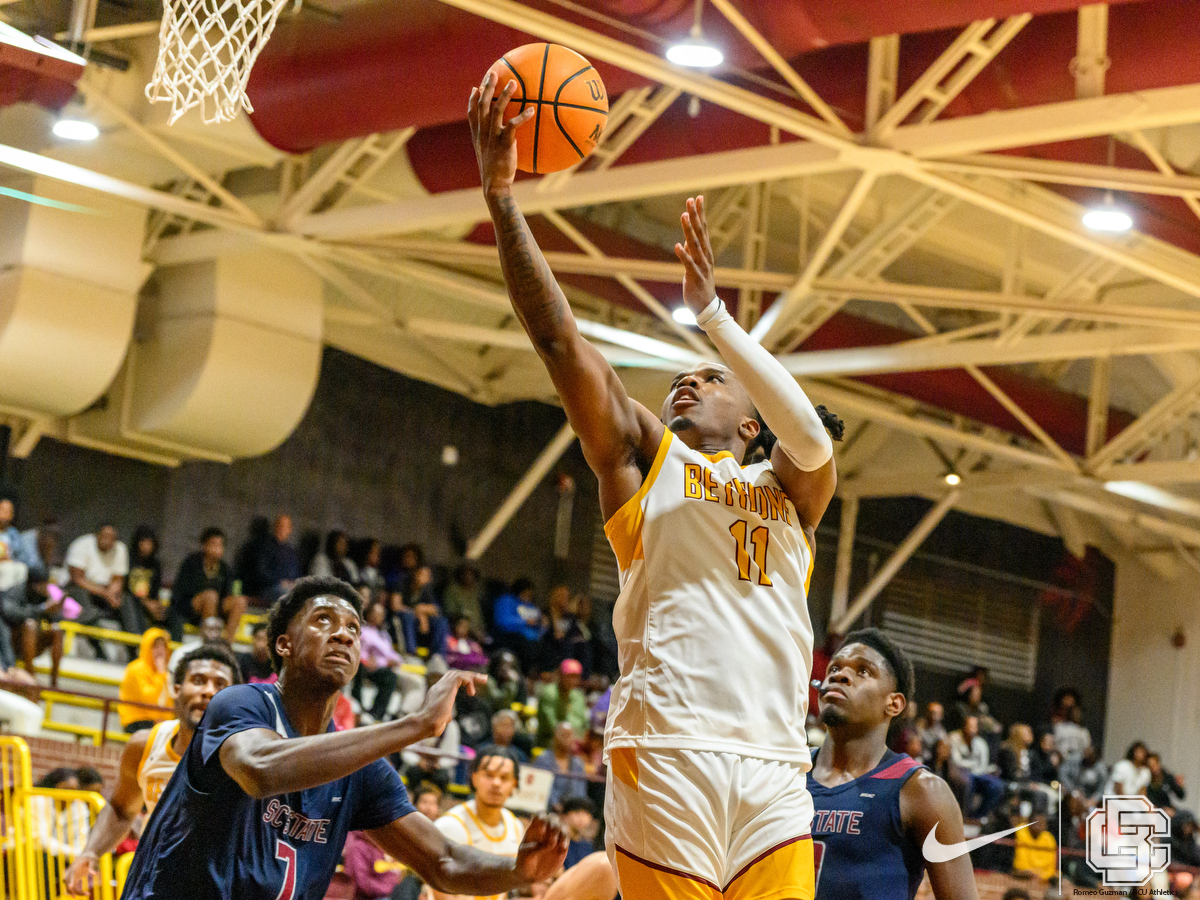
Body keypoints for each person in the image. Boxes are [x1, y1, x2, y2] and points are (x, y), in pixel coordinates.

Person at [472, 73, 844, 899]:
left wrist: (716, 320)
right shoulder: (646, 465)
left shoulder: (792, 492)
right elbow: (561, 343)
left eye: (711, 379)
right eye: (682, 376)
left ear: (753, 420)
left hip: (777, 769)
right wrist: (504, 203)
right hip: (667, 746)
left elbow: (810, 437)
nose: (687, 382)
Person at [118, 575, 567, 900]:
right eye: (324, 621)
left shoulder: (359, 769)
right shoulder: (241, 704)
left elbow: (443, 860)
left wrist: (515, 870)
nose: (343, 634)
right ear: (283, 644)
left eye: (354, 628)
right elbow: (259, 771)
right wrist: (414, 725)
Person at [809, 629, 978, 900]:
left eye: (863, 671)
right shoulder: (787, 773)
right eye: (835, 668)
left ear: (894, 703)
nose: (839, 675)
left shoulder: (922, 791)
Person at [64, 645, 241, 894]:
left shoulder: (245, 757)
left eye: (220, 685)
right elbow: (121, 810)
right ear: (176, 690)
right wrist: (91, 851)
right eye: (198, 681)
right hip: (156, 881)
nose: (208, 691)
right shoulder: (145, 745)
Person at [432, 747, 526, 900]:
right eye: (489, 775)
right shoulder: (448, 825)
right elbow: (439, 890)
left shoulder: (516, 827)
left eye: (504, 777)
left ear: (514, 784)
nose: (496, 783)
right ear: (474, 777)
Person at [168, 527, 247, 644]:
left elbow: (227, 594)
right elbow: (181, 593)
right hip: (190, 608)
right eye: (214, 544)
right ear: (205, 545)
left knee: (240, 600)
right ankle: (208, 643)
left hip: (216, 608)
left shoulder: (224, 568)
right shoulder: (191, 562)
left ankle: (228, 644)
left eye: (220, 545)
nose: (217, 548)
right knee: (211, 596)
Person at [65, 523, 138, 638]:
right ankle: (97, 645)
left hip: (104, 592)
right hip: (78, 589)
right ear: (96, 535)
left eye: (111, 538)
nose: (107, 541)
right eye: (104, 536)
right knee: (80, 595)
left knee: (126, 599)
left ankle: (135, 642)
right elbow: (77, 579)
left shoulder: (120, 549)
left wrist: (113, 595)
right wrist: (106, 593)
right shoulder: (81, 544)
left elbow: (118, 579)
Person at [949, 716, 1005, 819]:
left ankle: (979, 816)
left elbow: (983, 765)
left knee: (997, 786)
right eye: (969, 725)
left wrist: (973, 767)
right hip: (959, 774)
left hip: (978, 774)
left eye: (974, 726)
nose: (971, 729)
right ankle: (965, 817)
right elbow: (956, 762)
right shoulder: (954, 738)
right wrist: (972, 765)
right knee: (967, 782)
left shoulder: (980, 743)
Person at [119, 628, 173, 733]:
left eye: (163, 646)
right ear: (147, 647)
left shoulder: (167, 673)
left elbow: (170, 701)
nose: (160, 651)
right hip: (136, 719)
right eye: (155, 646)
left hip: (157, 721)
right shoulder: (136, 668)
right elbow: (149, 699)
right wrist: (161, 675)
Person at [491, 578, 544, 670]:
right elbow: (502, 621)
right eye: (526, 592)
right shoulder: (506, 600)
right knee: (526, 647)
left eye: (530, 594)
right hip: (510, 636)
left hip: (533, 639)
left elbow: (538, 624)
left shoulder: (530, 605)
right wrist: (525, 622)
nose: (528, 596)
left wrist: (543, 624)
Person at [533, 722, 588, 811]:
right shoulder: (542, 759)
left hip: (571, 812)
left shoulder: (578, 764)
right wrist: (555, 805)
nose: (566, 739)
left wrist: (574, 809)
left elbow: (580, 792)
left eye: (569, 735)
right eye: (563, 735)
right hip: (546, 810)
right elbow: (540, 789)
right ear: (555, 737)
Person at [536, 659, 588, 746]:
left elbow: (584, 724)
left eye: (576, 676)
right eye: (569, 676)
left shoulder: (579, 696)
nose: (573, 680)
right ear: (560, 675)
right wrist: (569, 740)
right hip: (551, 742)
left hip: (576, 744)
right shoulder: (549, 693)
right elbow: (550, 725)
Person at [126, 525, 166, 634]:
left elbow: (155, 589)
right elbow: (126, 588)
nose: (146, 546)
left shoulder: (155, 564)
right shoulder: (128, 559)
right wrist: (146, 602)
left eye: (149, 543)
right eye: (144, 542)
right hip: (131, 601)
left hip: (148, 601)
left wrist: (156, 605)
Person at [442, 564, 486, 640]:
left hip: (476, 630)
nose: (468, 577)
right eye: (466, 574)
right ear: (460, 575)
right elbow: (451, 611)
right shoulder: (452, 590)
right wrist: (469, 626)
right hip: (459, 627)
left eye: (471, 575)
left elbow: (478, 616)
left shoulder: (473, 593)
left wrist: (481, 629)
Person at [1011, 814, 1056, 881]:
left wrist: (1042, 876)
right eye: (1036, 823)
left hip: (1043, 879)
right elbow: (1019, 866)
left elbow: (1051, 869)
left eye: (1042, 824)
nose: (1039, 827)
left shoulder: (1049, 839)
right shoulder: (1020, 832)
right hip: (1021, 876)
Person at [560, 797, 599, 870]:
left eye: (586, 814)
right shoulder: (559, 842)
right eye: (577, 813)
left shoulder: (587, 846)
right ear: (565, 815)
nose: (582, 818)